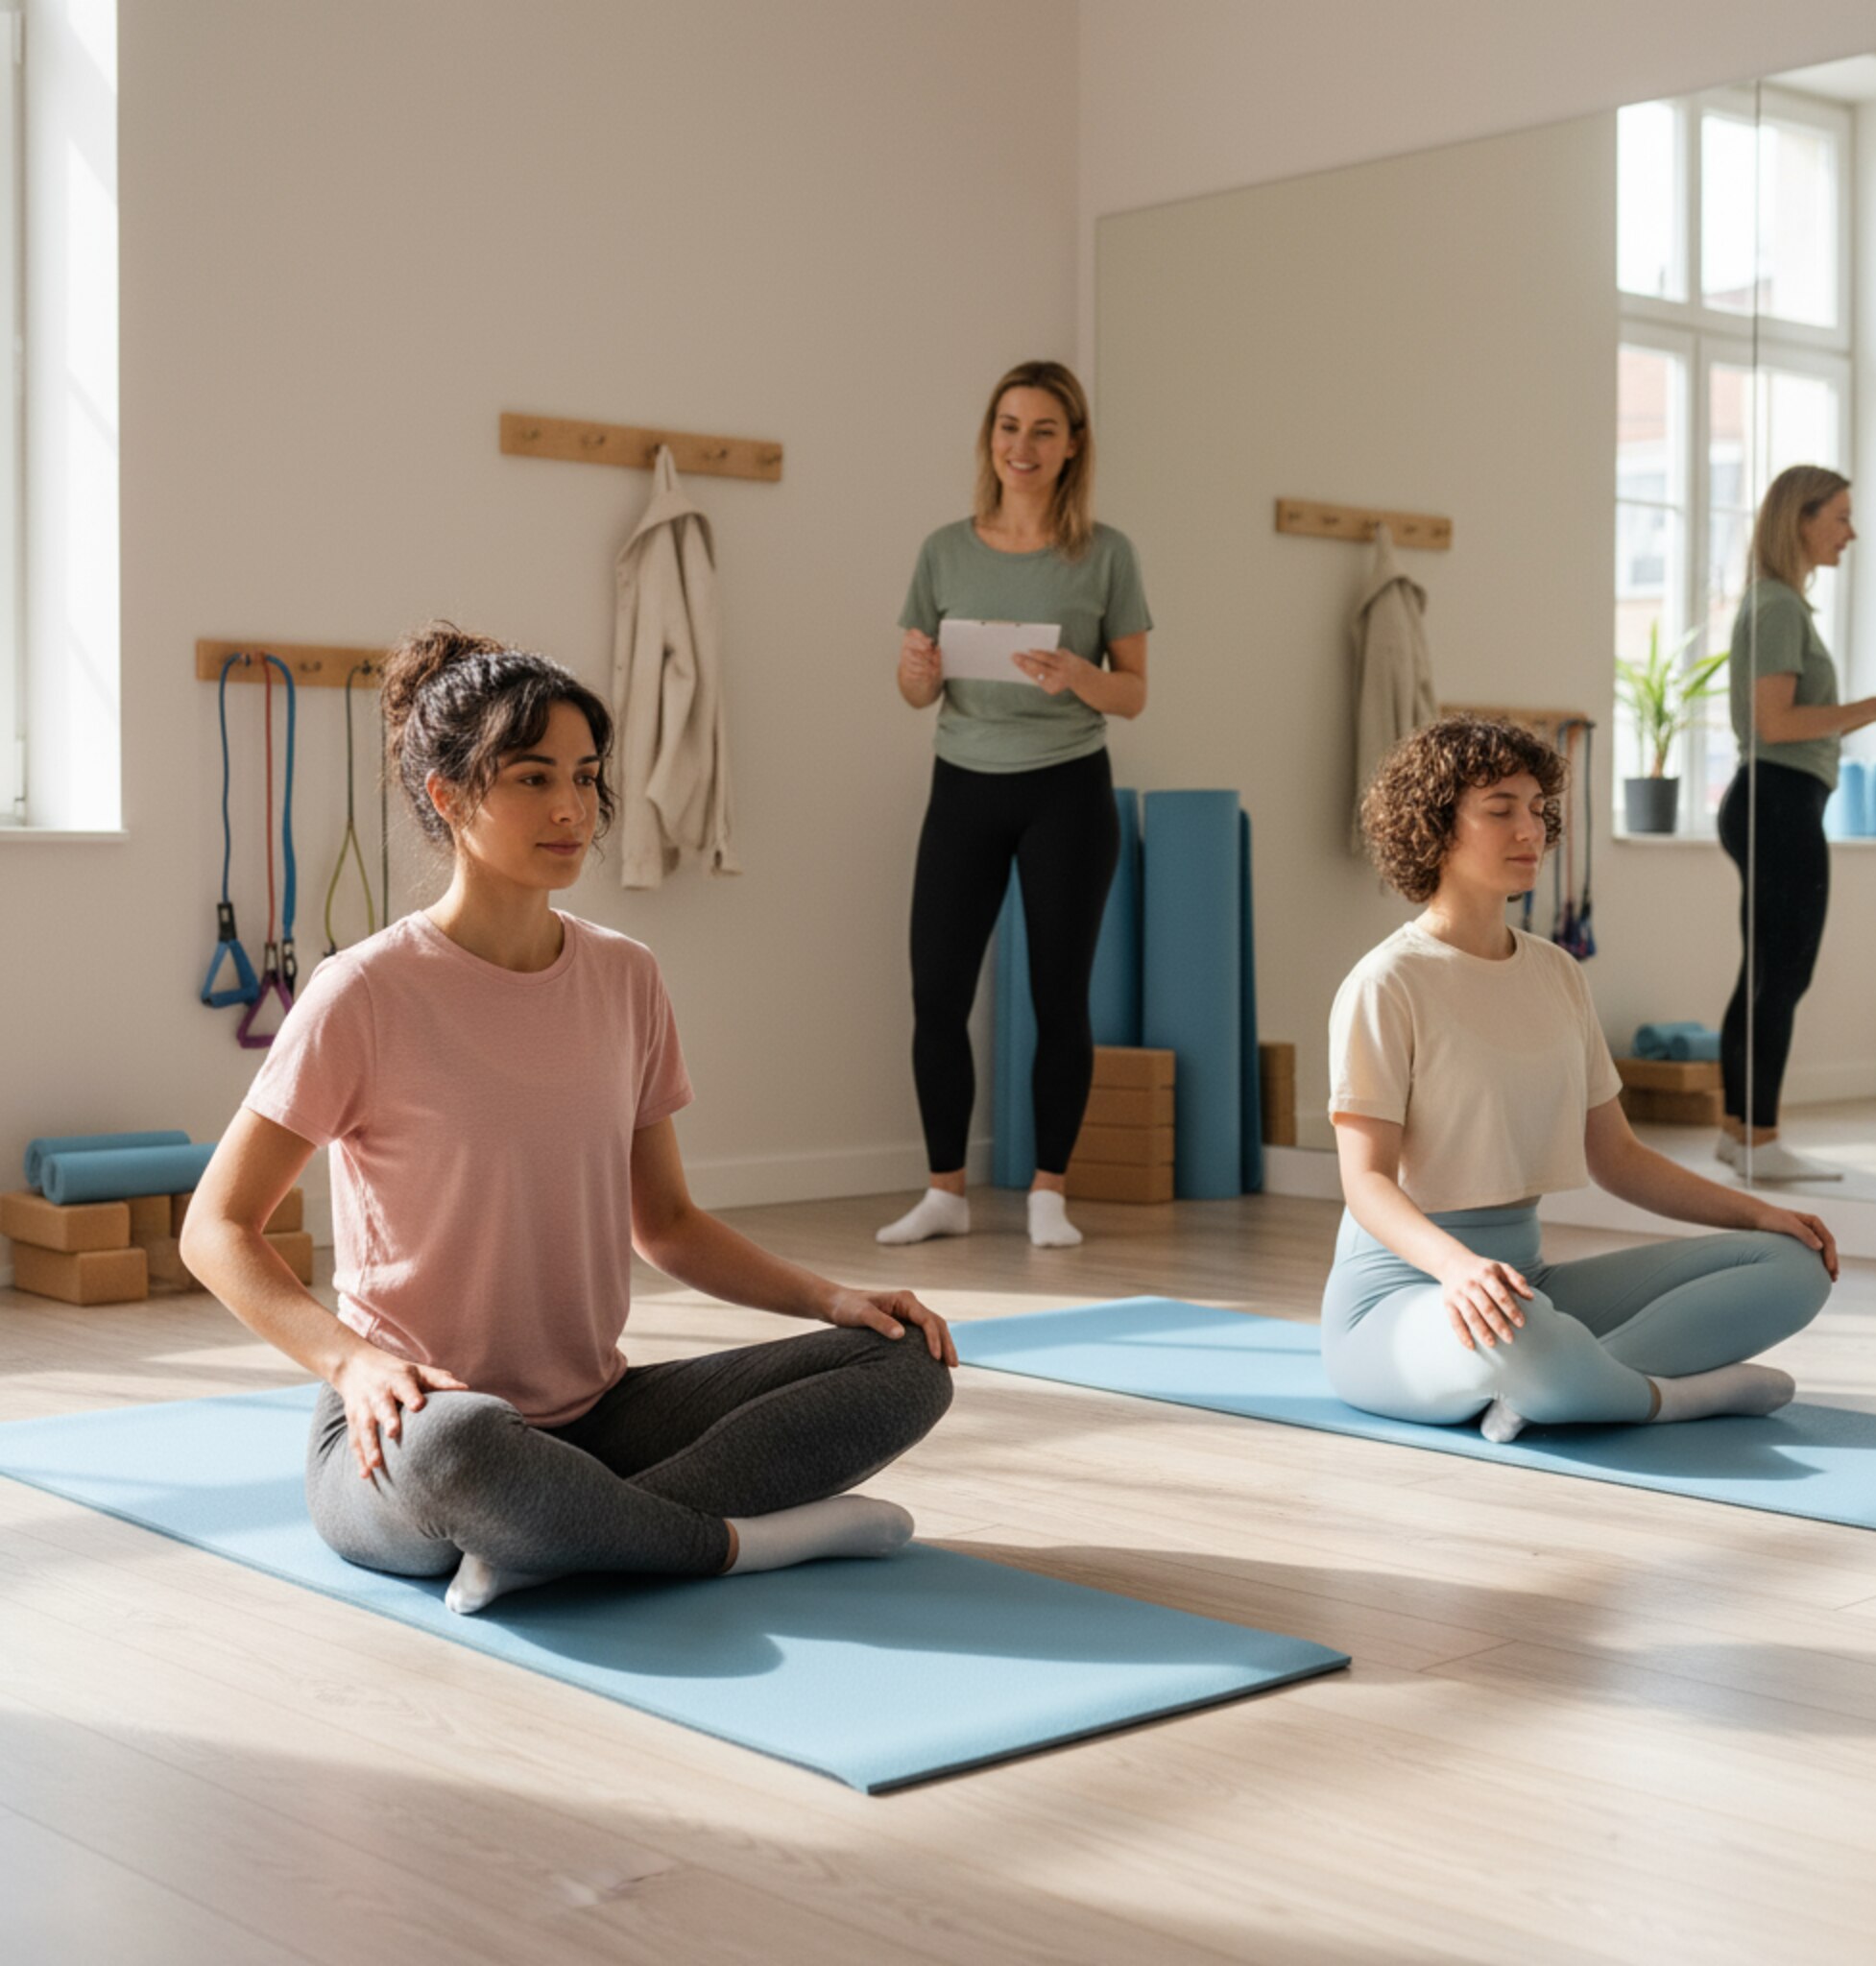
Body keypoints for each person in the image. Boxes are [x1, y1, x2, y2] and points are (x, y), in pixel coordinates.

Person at [182, 626, 954, 1617]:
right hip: (409, 1431)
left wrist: (833, 1297)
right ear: (449, 796)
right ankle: (733, 1544)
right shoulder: (362, 992)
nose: (569, 809)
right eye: (533, 776)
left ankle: (558, 1536)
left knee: (904, 1361)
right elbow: (216, 1229)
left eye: (586, 778)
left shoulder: (625, 976)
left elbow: (666, 1221)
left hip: (596, 1415)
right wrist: (355, 1361)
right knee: (466, 1450)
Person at [1323, 716, 1836, 1443]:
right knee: (1525, 1334)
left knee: (1794, 1265)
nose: (1530, 828)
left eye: (1537, 808)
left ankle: (1568, 1387)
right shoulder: (1387, 983)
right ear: (1434, 825)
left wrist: (1757, 1214)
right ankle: (1680, 1396)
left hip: (1526, 1286)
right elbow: (1366, 1183)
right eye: (1501, 809)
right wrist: (1461, 1269)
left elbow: (1618, 1158)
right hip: (1403, 1295)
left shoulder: (1557, 973)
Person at [879, 358, 1152, 1250]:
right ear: (989, 439)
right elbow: (918, 689)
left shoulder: (1105, 553)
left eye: (1042, 429)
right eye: (1008, 426)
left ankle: (1048, 1193)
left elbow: (1135, 693)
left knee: (1058, 997)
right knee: (937, 995)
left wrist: (1080, 675)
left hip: (1067, 788)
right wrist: (916, 674)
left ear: (1072, 446)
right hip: (962, 783)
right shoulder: (942, 550)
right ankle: (945, 1191)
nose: (1021, 446)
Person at [1718, 467, 1876, 1181]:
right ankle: (1761, 1141)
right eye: (1840, 516)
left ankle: (1739, 1133)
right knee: (1783, 976)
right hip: (1778, 800)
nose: (1852, 531)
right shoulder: (1778, 605)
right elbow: (1776, 722)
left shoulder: (1777, 603)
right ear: (1800, 520)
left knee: (1767, 972)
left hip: (1775, 799)